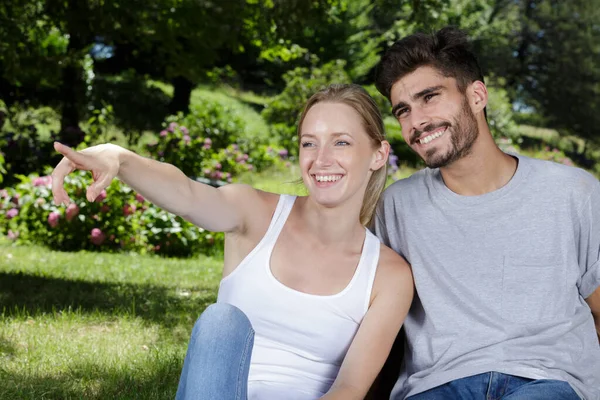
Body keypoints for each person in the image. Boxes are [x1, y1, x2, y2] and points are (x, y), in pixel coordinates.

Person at [50, 84, 414, 400]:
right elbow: (186, 195)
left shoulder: (388, 275)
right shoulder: (253, 213)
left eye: (342, 142)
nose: (321, 160)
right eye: (309, 143)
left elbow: (349, 390)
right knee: (222, 322)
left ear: (378, 154)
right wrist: (119, 157)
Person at [372, 26, 600, 400]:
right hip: (435, 386)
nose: (416, 122)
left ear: (477, 95)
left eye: (430, 97)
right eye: (404, 111)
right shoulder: (395, 207)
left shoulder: (573, 193)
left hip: (545, 381)